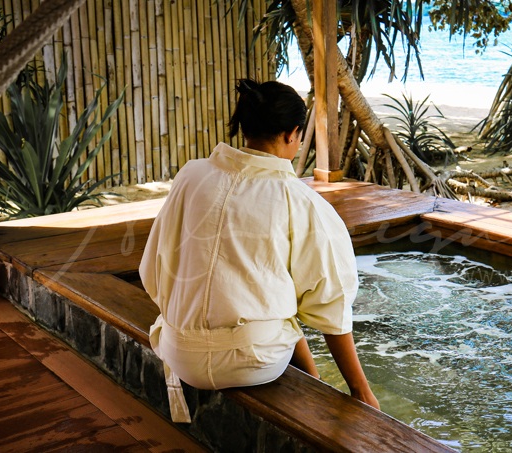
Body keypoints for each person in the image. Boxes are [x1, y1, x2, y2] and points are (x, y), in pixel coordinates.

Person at [140, 78, 379, 423]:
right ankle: (320, 381)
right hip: (252, 364)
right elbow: (332, 302)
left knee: (270, 290)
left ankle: (313, 378)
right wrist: (360, 390)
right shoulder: (299, 201)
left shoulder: (191, 176)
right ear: (291, 134)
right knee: (288, 294)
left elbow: (154, 268)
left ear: (246, 127)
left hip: (179, 351)